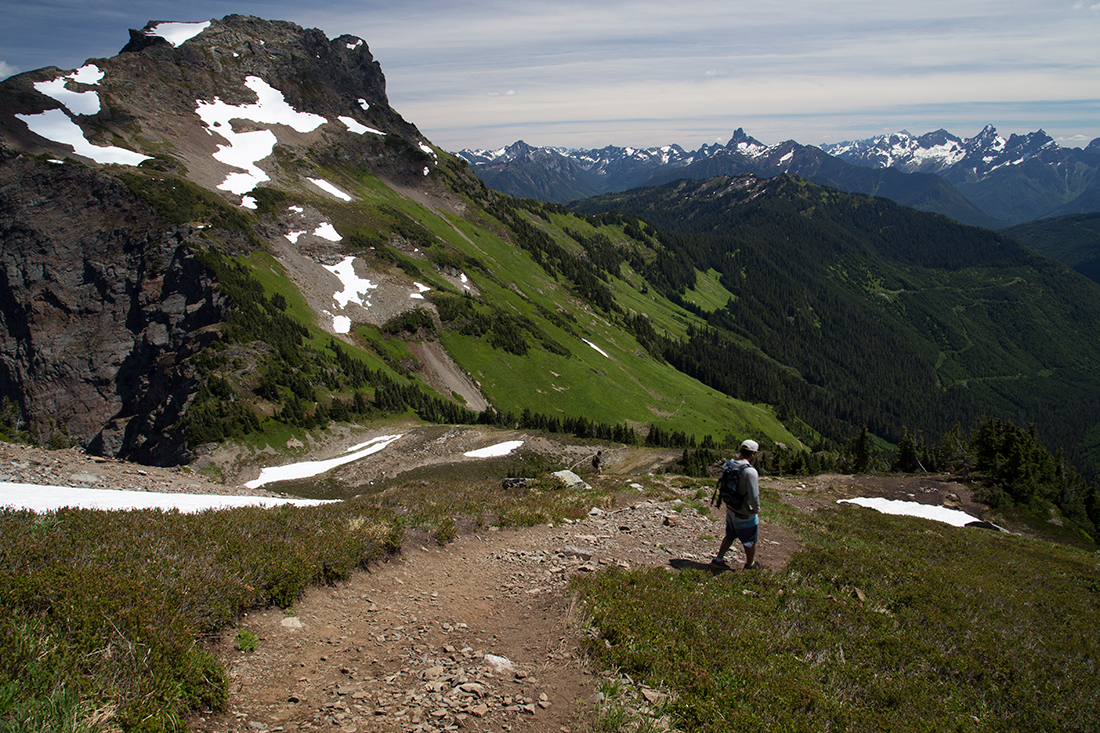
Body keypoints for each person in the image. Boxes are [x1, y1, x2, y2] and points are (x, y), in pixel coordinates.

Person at [712, 439, 761, 570]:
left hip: (730, 508)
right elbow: (754, 495)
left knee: (730, 534)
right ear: (753, 454)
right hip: (744, 511)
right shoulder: (750, 471)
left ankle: (719, 559)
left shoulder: (728, 464)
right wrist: (756, 509)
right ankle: (750, 565)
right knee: (750, 541)